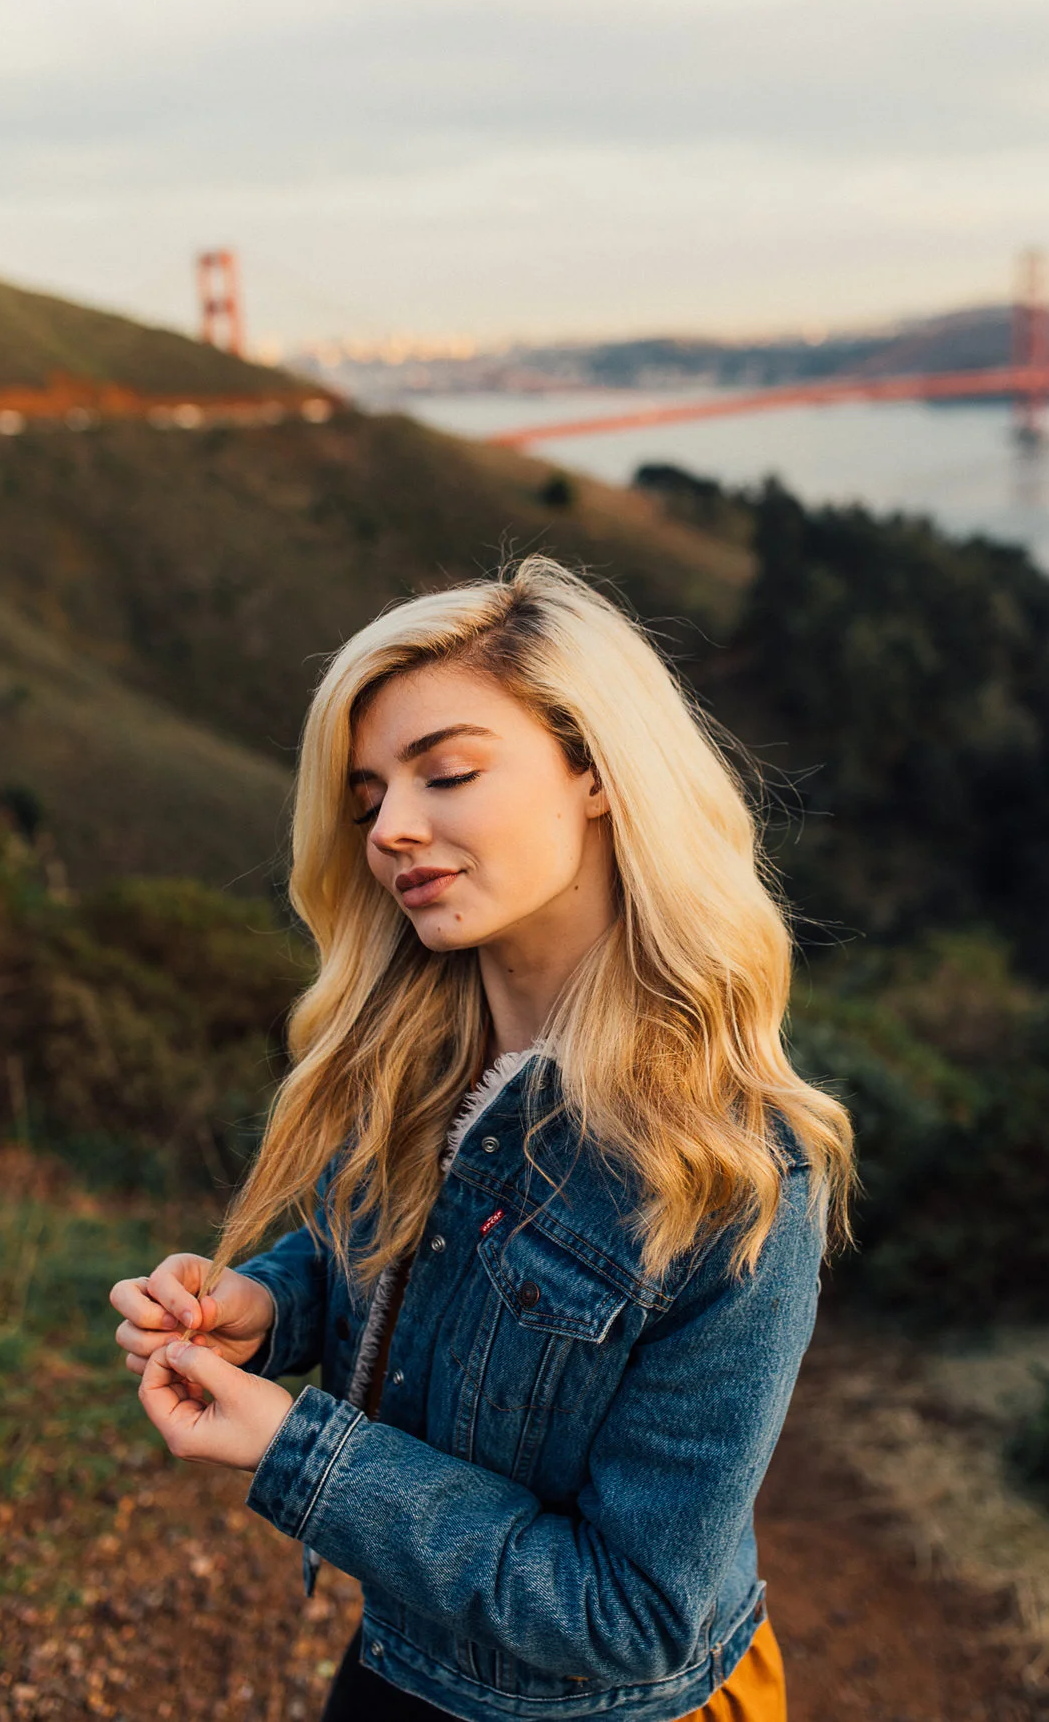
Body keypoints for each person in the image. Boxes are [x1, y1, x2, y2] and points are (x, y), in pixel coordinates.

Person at [109, 557, 853, 1722]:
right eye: (366, 801)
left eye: (446, 772)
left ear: (597, 773)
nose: (393, 830)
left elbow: (632, 1616)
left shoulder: (731, 1170)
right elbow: (434, 1258)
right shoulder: (421, 1066)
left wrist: (298, 1450)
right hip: (400, 1670)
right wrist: (272, 1304)